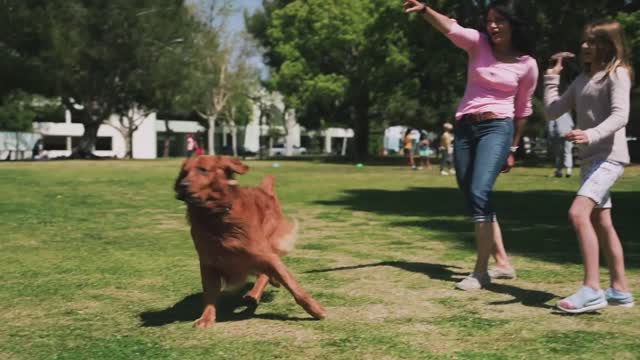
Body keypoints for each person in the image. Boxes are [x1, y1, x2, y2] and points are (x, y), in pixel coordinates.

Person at [403, 0, 539, 290]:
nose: (493, 26)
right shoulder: (479, 44)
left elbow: (523, 110)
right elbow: (451, 28)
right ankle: (502, 261)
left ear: (513, 24)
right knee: (471, 193)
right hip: (465, 127)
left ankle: (481, 271)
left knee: (480, 191)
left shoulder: (527, 65)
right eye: (489, 20)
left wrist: (512, 149)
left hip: (497, 127)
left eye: (499, 20)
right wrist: (426, 10)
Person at [544, 19, 634, 313]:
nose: (585, 46)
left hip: (609, 158)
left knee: (577, 213)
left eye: (594, 41)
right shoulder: (582, 80)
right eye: (585, 40)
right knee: (602, 222)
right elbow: (553, 111)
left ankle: (592, 288)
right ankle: (619, 289)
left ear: (609, 46)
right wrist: (551, 78)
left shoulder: (617, 74)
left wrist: (590, 134)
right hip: (589, 160)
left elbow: (621, 116)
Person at [547, 112, 575, 177]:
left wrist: (551, 136)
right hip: (568, 134)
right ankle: (569, 170)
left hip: (558, 134)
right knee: (568, 152)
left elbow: (551, 127)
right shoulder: (567, 114)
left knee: (559, 154)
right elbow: (572, 125)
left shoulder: (553, 114)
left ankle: (559, 171)